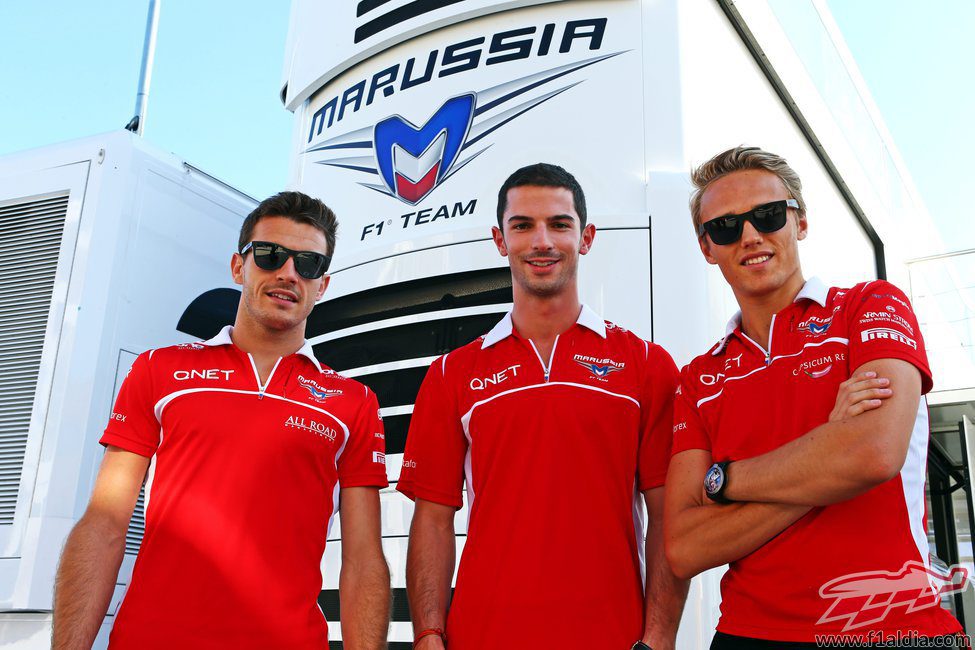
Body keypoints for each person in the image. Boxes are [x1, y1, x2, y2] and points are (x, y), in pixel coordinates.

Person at [52, 192, 390, 649]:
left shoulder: (354, 402)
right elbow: (105, 524)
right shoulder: (159, 368)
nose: (288, 273)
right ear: (238, 267)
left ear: (322, 285)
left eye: (308, 264)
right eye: (270, 255)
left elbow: (363, 559)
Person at [664, 146, 964, 648]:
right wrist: (827, 448)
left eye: (768, 215)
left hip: (892, 631)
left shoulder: (869, 305)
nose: (751, 236)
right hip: (746, 635)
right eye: (726, 226)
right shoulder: (698, 377)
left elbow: (871, 454)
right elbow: (684, 547)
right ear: (706, 247)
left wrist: (726, 480)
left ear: (799, 223)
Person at [397, 163, 688, 650]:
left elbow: (668, 518)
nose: (542, 241)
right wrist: (428, 633)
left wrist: (658, 639)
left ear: (587, 236)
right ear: (499, 239)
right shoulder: (452, 374)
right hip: (482, 636)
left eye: (559, 224)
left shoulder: (646, 365)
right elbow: (431, 519)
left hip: (612, 637)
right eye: (523, 225)